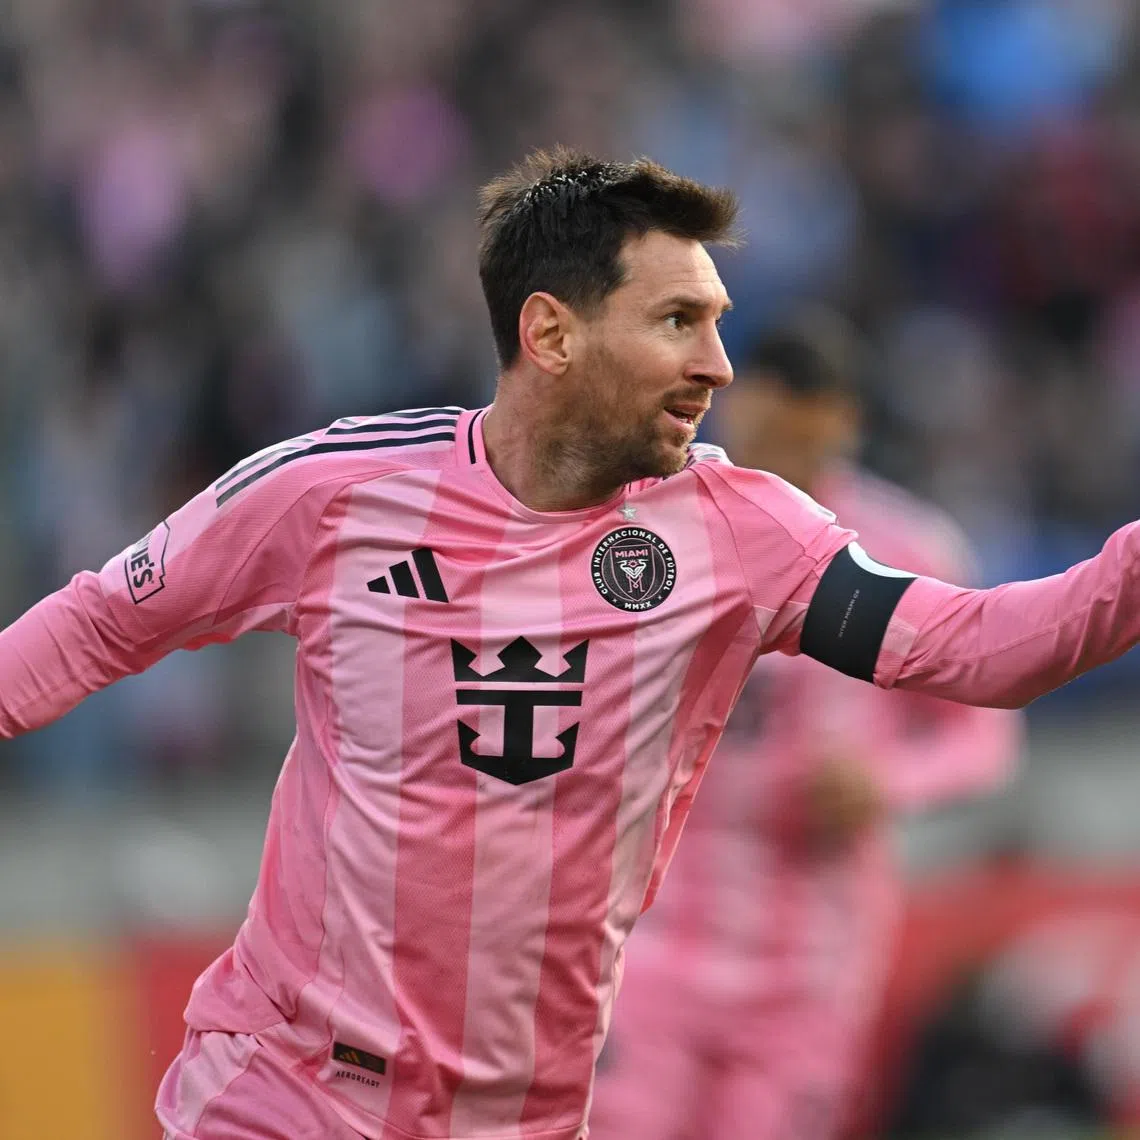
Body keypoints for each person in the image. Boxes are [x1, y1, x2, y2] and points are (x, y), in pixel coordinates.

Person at [0, 148, 1137, 1140]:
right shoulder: (335, 493)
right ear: (550, 332)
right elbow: (107, 616)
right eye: (678, 322)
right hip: (289, 1093)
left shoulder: (742, 536)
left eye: (719, 324)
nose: (718, 367)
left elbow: (987, 650)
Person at [587, 311, 1023, 1140]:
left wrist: (886, 781)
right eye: (777, 438)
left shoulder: (907, 547)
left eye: (811, 447)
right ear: (737, 408)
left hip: (814, 957)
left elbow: (984, 736)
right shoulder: (650, 529)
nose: (792, 468)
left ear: (846, 426)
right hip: (657, 934)